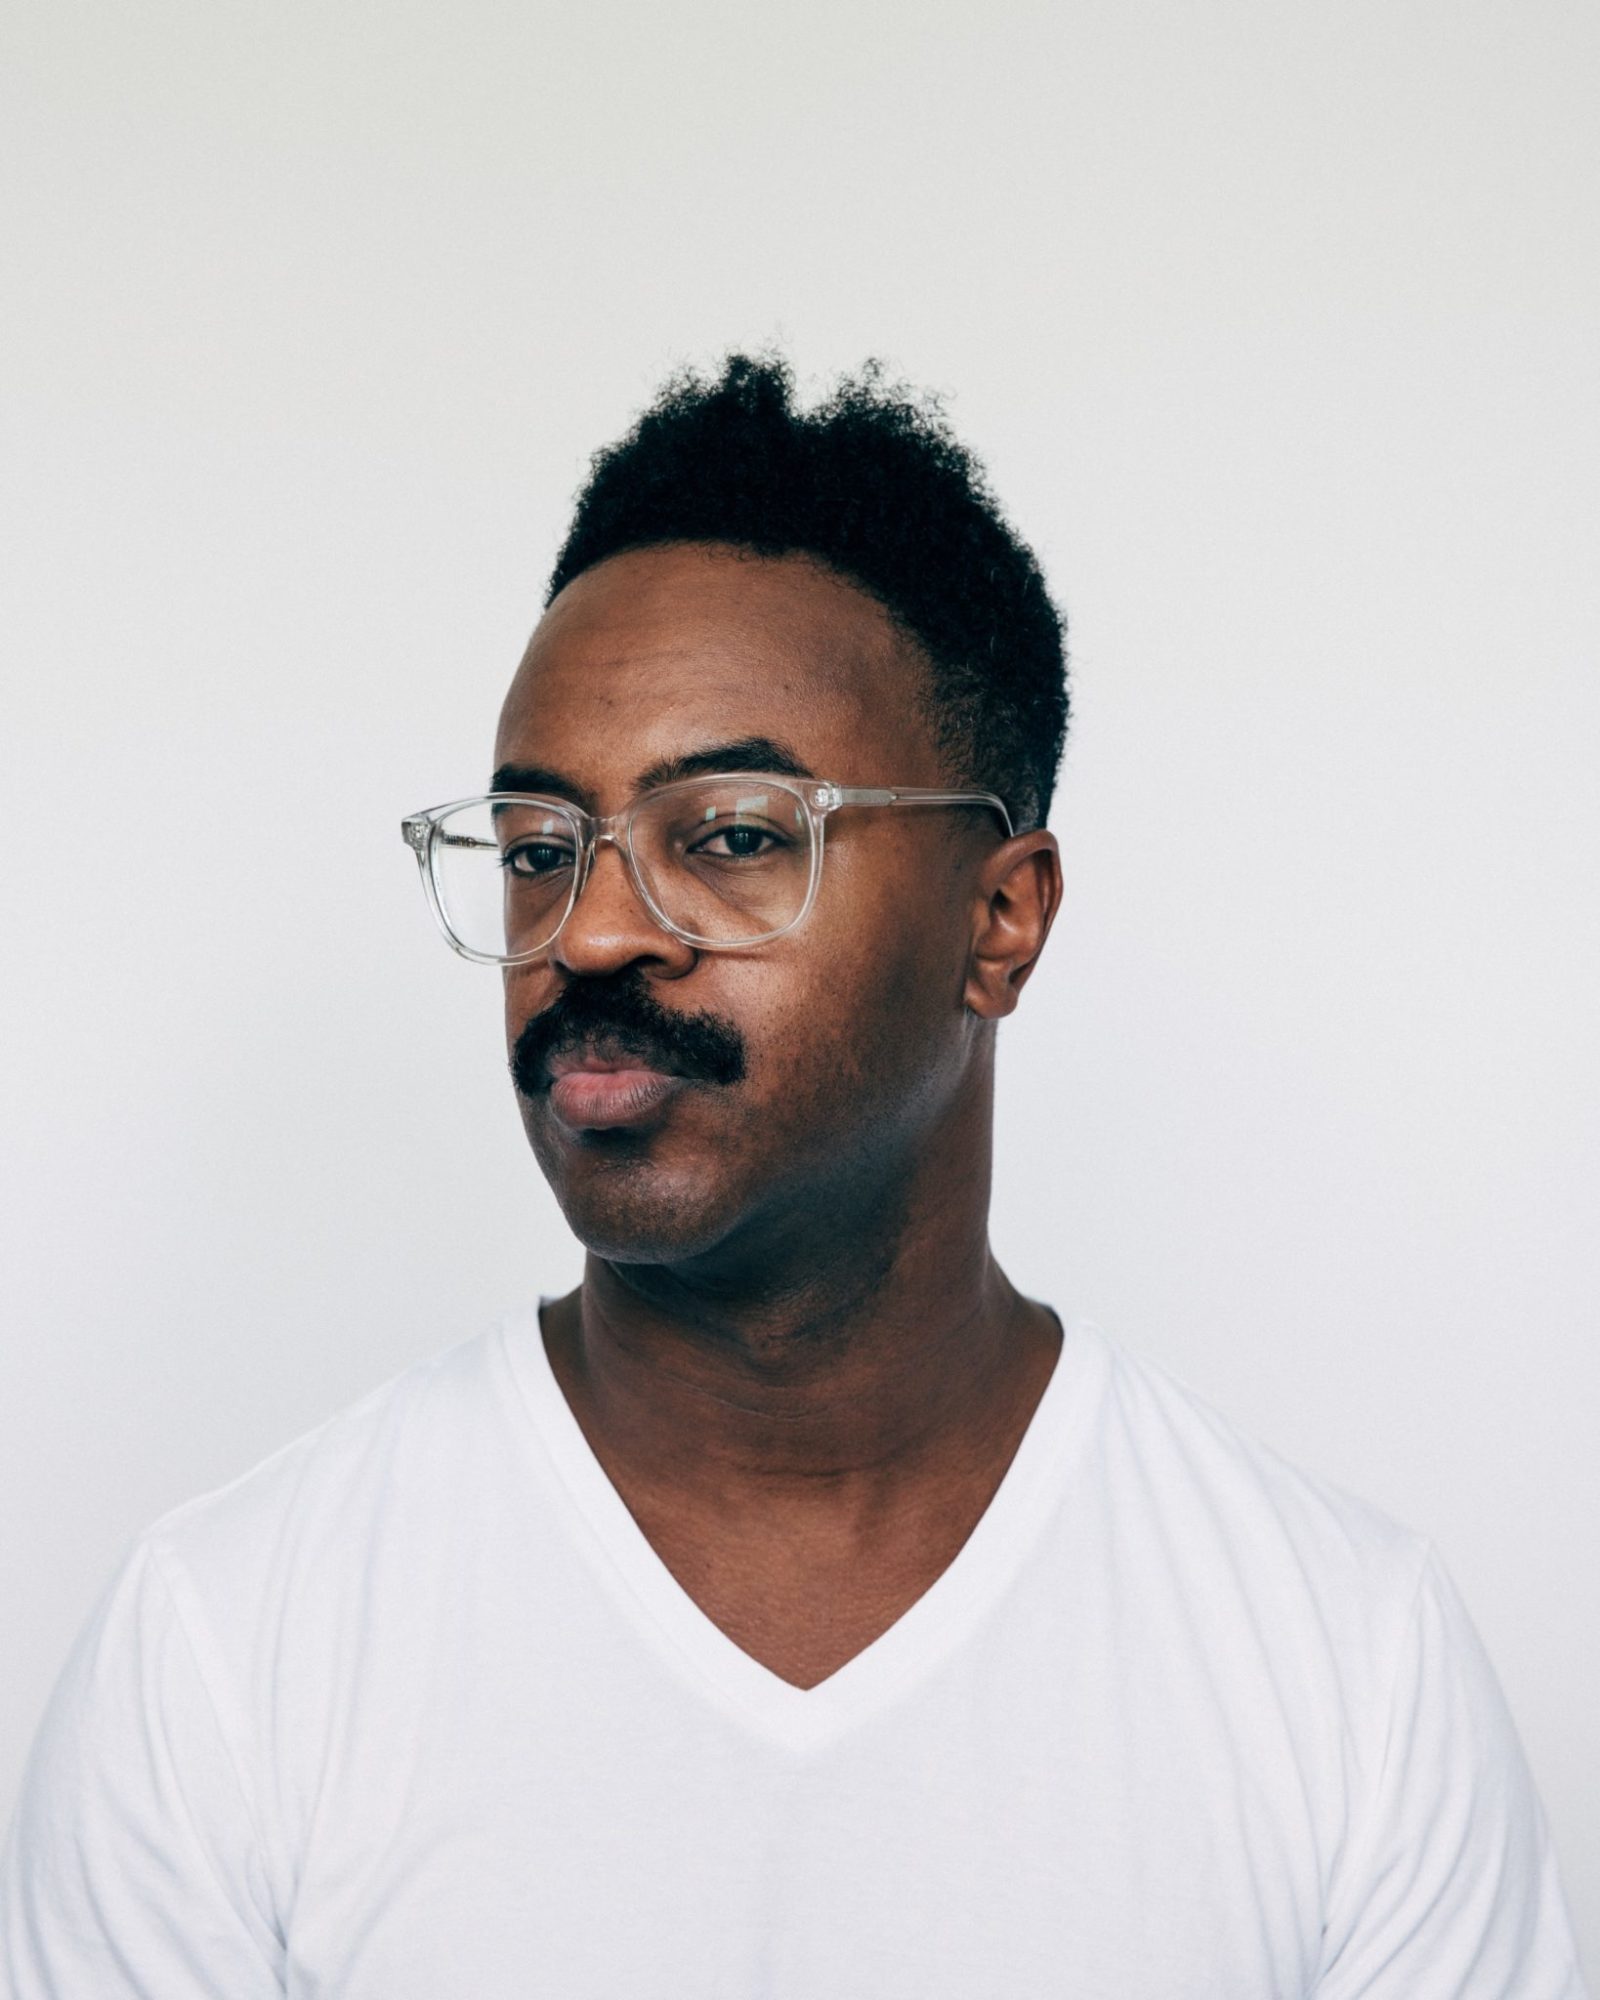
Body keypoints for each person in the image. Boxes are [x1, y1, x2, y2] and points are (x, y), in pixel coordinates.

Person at [1, 355, 1587, 1998]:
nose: (590, 933)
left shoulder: (1345, 1663)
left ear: (1001, 919)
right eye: (540, 848)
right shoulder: (225, 1650)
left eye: (734, 834)